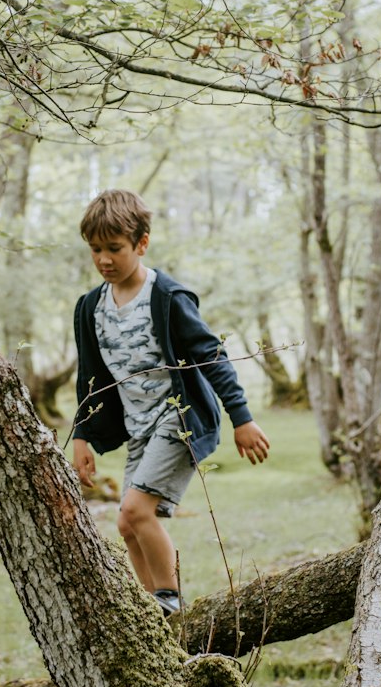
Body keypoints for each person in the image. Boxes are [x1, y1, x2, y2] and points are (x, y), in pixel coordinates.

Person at [71, 189, 269, 613]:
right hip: (139, 426)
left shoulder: (168, 298)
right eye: (95, 250)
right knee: (127, 523)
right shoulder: (91, 307)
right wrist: (82, 437)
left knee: (136, 509)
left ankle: (169, 601)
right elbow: (89, 376)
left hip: (180, 419)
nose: (104, 259)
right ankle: (152, 610)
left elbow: (211, 355)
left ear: (142, 244)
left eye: (114, 249)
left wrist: (242, 418)